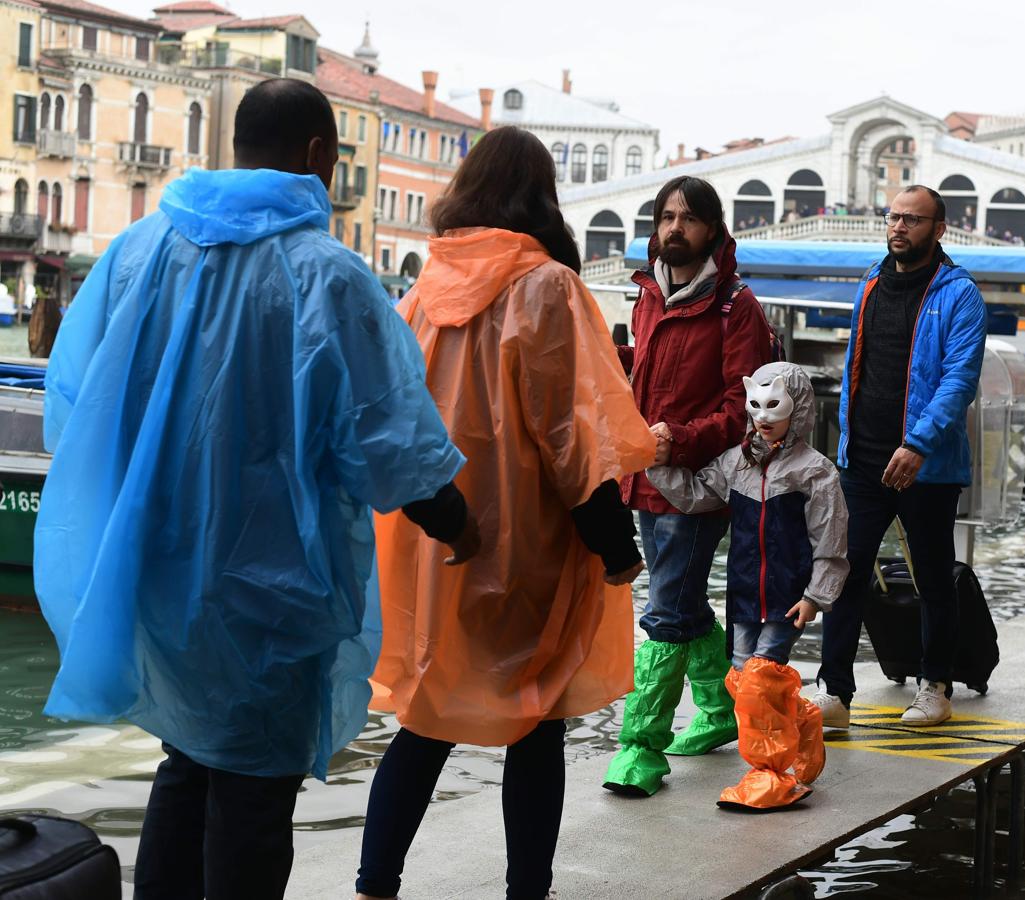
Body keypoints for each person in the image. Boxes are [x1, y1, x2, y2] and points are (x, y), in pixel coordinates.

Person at [33, 78, 477, 900]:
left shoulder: (140, 250)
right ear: (317, 155)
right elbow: (390, 443)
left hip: (162, 574)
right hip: (269, 587)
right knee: (253, 793)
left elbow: (79, 398)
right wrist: (461, 524)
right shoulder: (331, 278)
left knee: (189, 757)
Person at [354, 126, 654, 900]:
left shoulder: (420, 290)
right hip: (528, 543)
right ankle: (528, 890)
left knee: (427, 712)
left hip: (437, 540)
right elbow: (573, 434)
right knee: (536, 715)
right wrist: (614, 544)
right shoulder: (546, 286)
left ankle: (373, 884)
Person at [601, 175, 774, 797]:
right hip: (644, 475)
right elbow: (649, 375)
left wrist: (681, 437)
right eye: (666, 216)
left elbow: (744, 407)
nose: (675, 228)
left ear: (713, 230)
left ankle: (640, 749)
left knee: (664, 612)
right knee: (683, 599)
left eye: (689, 218)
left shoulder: (736, 306)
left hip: (695, 482)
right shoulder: (650, 292)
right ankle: (721, 710)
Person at [814, 185, 987, 729]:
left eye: (913, 219)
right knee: (844, 573)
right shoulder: (870, 281)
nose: (899, 227)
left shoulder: (960, 295)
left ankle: (934, 686)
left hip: (927, 466)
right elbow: (856, 368)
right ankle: (835, 692)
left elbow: (960, 380)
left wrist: (917, 444)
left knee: (933, 577)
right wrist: (846, 439)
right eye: (893, 217)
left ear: (938, 230)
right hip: (861, 460)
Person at [647, 362, 847, 810]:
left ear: (796, 410)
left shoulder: (815, 472)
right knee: (741, 680)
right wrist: (656, 465)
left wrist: (817, 595)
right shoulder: (736, 462)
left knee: (759, 680)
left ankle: (771, 776)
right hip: (742, 595)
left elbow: (830, 537)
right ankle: (804, 720)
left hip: (788, 596)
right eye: (755, 406)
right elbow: (698, 494)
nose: (763, 416)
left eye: (774, 406)